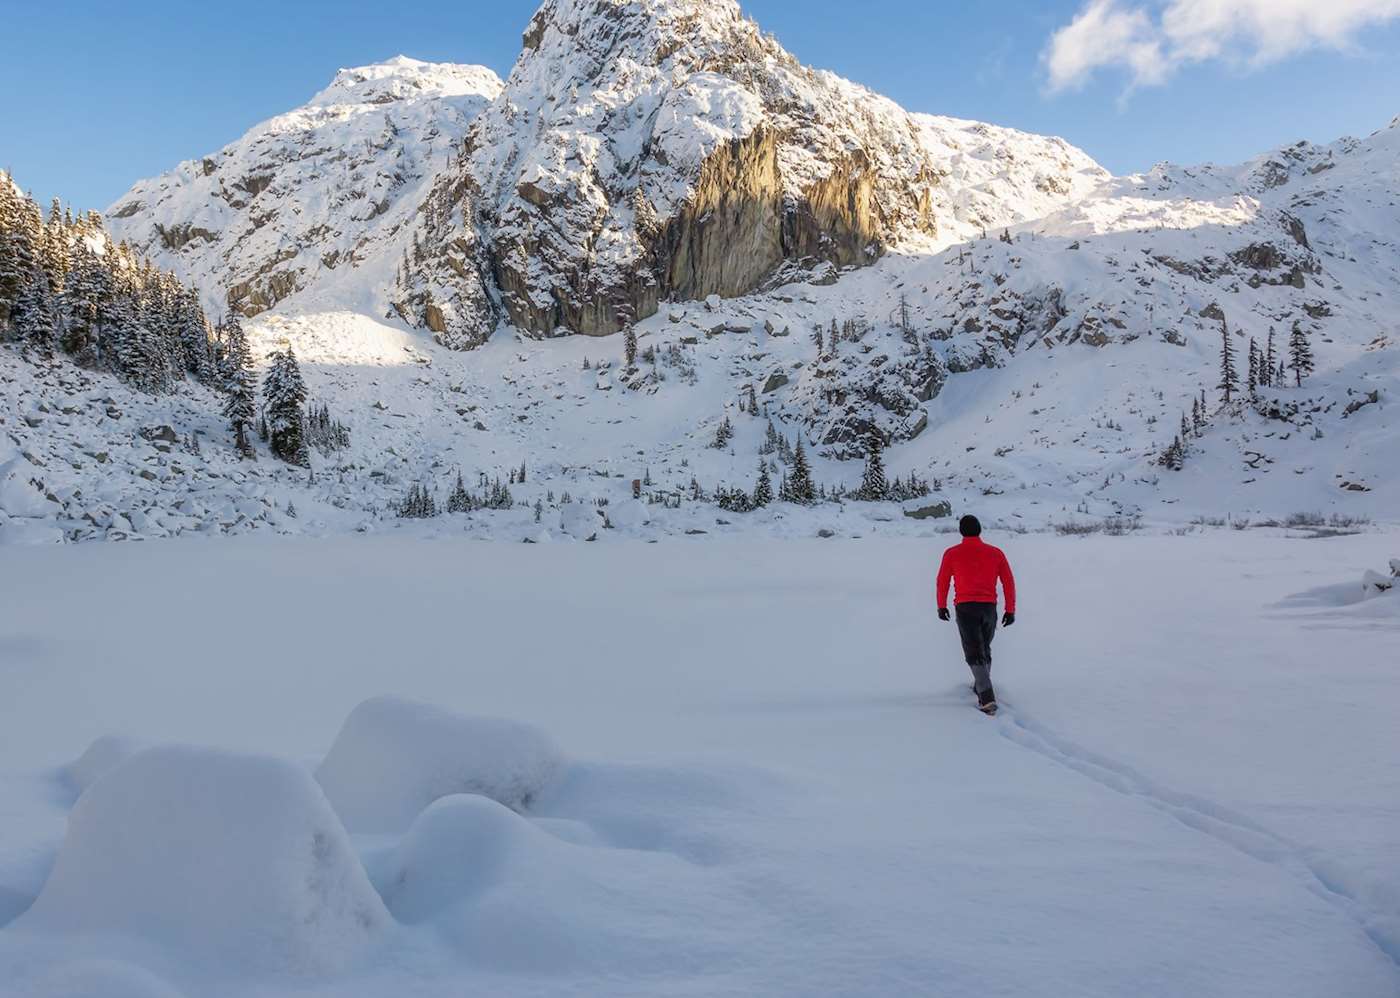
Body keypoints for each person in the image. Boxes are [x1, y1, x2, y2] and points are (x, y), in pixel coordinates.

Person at [936, 514, 1016, 715]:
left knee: (973, 650)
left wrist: (941, 606)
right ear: (980, 529)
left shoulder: (952, 553)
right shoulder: (995, 553)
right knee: (983, 647)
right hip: (989, 607)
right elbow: (1008, 582)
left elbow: (942, 581)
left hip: (966, 607)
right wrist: (1010, 610)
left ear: (961, 531)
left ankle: (986, 697)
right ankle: (981, 684)